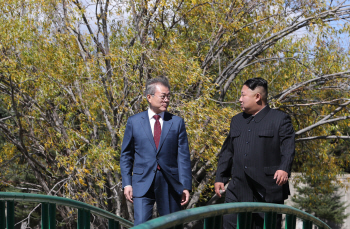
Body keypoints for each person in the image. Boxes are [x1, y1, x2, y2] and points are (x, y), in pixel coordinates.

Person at [214, 78, 295, 229]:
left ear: (257, 97)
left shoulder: (279, 119)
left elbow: (288, 147)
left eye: (243, 95)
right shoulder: (236, 121)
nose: (240, 99)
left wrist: (284, 168)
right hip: (237, 189)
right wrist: (220, 177)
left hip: (267, 190)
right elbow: (228, 151)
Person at [120, 76, 192, 226]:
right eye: (163, 96)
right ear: (149, 97)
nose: (166, 100)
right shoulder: (134, 122)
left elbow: (183, 157)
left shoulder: (177, 122)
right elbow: (126, 155)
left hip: (170, 182)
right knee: (141, 225)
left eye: (168, 96)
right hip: (142, 182)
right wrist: (127, 183)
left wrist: (185, 185)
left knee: (171, 225)